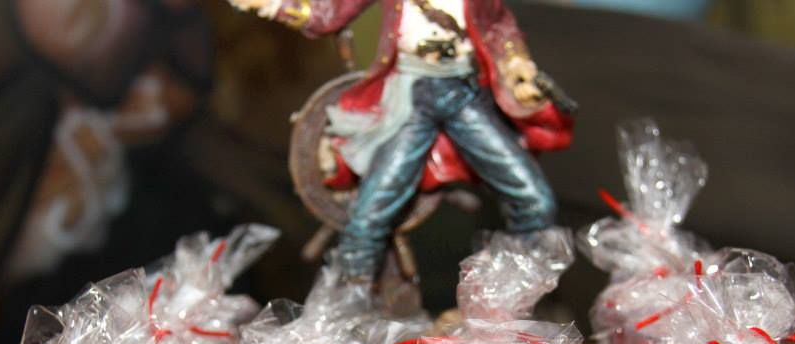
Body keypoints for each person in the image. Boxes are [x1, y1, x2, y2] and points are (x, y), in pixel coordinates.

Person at [231, 0, 574, 278]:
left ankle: (518, 294)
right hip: (411, 97)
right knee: (370, 213)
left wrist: (516, 63)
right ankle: (351, 303)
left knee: (534, 200)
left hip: (463, 93)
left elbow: (499, 25)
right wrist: (275, 5)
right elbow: (329, 14)